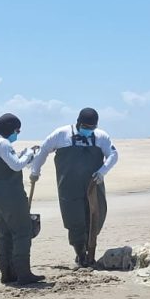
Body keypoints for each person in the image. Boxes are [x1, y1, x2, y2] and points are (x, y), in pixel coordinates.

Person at [30, 108, 118, 267]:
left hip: (94, 184)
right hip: (69, 186)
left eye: (92, 128)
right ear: (78, 122)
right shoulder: (61, 134)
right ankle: (80, 254)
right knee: (74, 219)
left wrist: (102, 172)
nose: (89, 130)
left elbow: (113, 155)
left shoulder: (101, 136)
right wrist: (35, 171)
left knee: (95, 217)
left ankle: (90, 248)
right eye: (85, 127)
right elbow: (43, 151)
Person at [0, 113, 45, 285]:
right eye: (17, 130)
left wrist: (23, 155)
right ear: (10, 129)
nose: (17, 134)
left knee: (3, 233)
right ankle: (23, 274)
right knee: (22, 231)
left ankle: (7, 273)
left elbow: (10, 162)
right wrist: (29, 153)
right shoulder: (2, 143)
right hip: (11, 197)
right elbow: (15, 165)